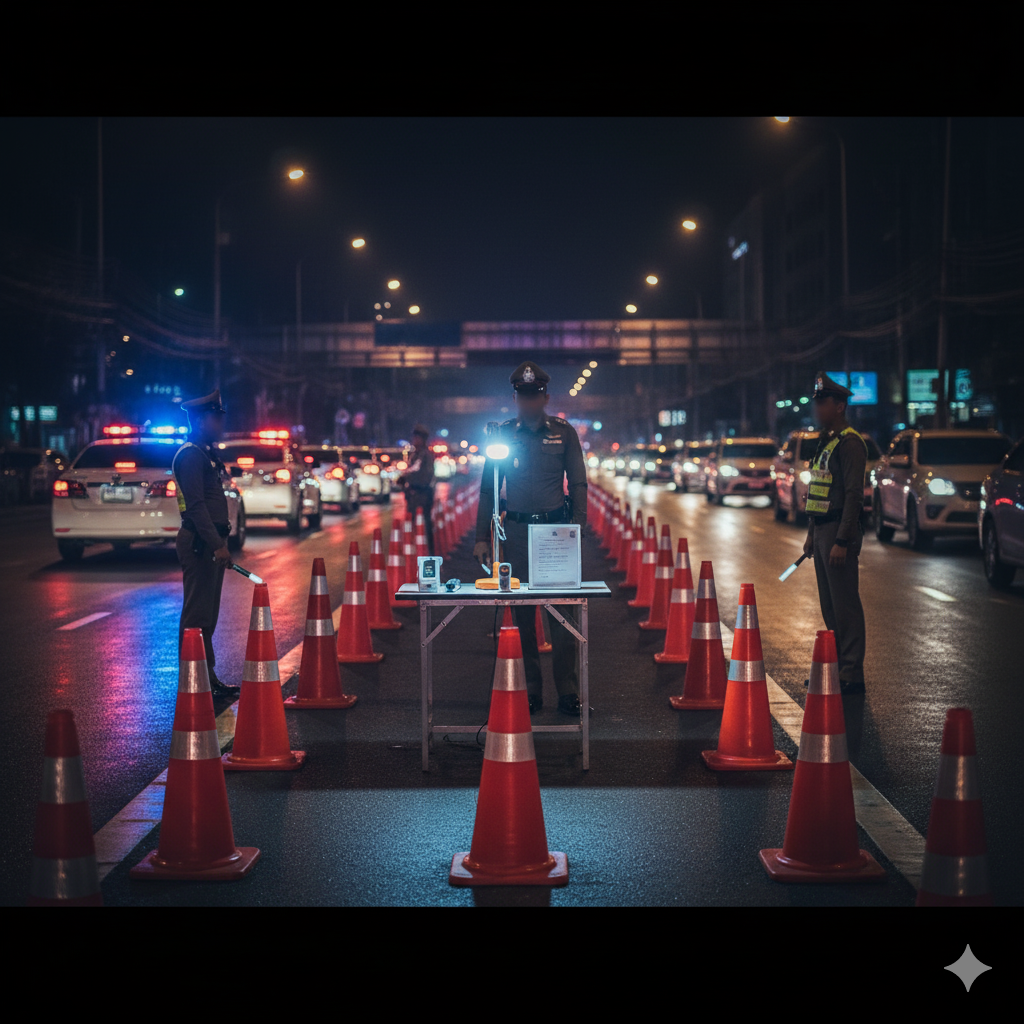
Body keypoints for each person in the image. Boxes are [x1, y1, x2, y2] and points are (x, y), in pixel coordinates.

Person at [472, 361, 589, 716]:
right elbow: (488, 491)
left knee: (563, 617)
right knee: (522, 618)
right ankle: (531, 691)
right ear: (515, 399)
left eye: (535, 395)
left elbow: (578, 483)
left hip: (555, 534)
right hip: (518, 534)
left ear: (546, 397)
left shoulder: (564, 433)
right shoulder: (503, 436)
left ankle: (568, 692)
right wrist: (482, 537)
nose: (529, 402)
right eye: (523, 396)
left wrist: (577, 529)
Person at [802, 370, 868, 694]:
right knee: (829, 605)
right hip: (823, 529)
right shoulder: (826, 442)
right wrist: (811, 533)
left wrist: (842, 540)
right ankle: (839, 667)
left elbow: (854, 494)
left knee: (845, 605)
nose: (818, 408)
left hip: (839, 531)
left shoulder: (850, 443)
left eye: (823, 402)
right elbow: (818, 490)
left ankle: (852, 672)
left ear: (839, 406)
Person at [172, 389, 238, 697]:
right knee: (197, 615)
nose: (220, 424)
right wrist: (216, 544)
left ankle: (207, 678)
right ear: (200, 421)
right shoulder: (190, 456)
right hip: (200, 543)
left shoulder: (203, 453)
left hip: (209, 542)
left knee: (207, 616)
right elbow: (196, 507)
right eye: (215, 418)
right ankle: (193, 681)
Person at [400, 424, 436, 554]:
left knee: (424, 526)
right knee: (414, 525)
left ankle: (428, 553)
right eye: (414, 437)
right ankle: (416, 553)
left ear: (423, 439)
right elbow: (411, 471)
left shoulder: (425, 455)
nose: (414, 440)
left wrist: (412, 482)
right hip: (414, 496)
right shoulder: (415, 454)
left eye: (417, 437)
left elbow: (425, 476)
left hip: (422, 496)